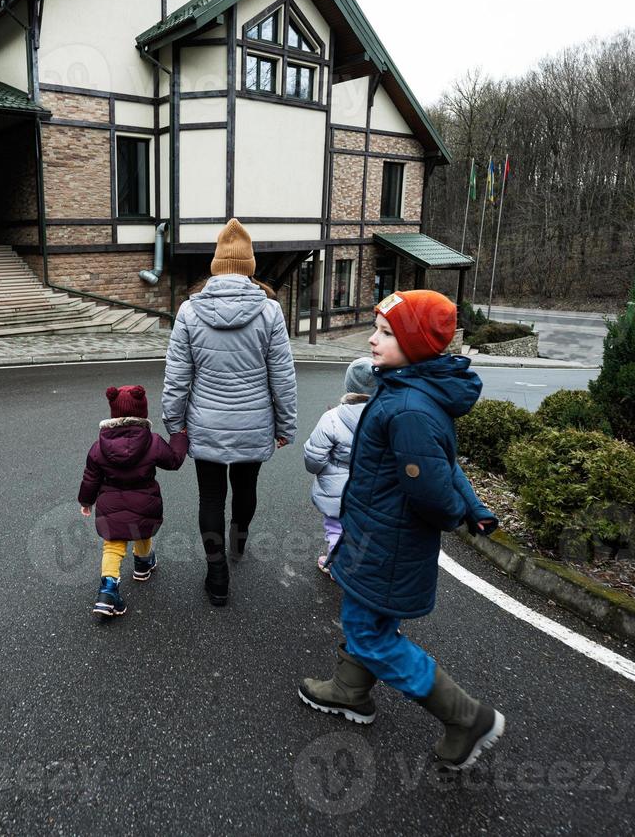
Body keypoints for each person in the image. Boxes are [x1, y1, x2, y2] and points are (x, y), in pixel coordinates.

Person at [297, 291, 505, 771]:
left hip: (388, 544)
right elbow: (445, 463)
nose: (372, 339)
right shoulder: (401, 388)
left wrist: (458, 511)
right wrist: (473, 506)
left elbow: (431, 486)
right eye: (376, 328)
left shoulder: (408, 406)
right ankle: (350, 689)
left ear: (414, 343)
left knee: (371, 634)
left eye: (387, 333)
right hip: (375, 533)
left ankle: (465, 717)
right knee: (365, 617)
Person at [162, 219, 297, 607]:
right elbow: (282, 377)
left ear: (216, 265)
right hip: (254, 424)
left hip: (205, 424)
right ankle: (239, 541)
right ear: (249, 266)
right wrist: (285, 424)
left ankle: (216, 573)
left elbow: (177, 375)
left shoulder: (189, 311)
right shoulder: (270, 311)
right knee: (246, 488)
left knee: (209, 498)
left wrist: (175, 424)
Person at [79, 385, 188, 619]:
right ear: (143, 413)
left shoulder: (99, 446)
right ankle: (142, 564)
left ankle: (107, 592)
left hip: (110, 504)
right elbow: (174, 461)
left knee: (113, 544)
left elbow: (91, 477)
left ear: (113, 414)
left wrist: (86, 501)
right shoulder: (153, 441)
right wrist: (180, 436)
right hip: (144, 501)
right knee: (142, 528)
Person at [303, 358, 374, 576]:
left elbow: (313, 458)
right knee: (364, 529)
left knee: (335, 527)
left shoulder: (333, 417)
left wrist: (323, 469)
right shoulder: (384, 416)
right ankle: (362, 566)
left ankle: (337, 566)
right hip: (370, 485)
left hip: (336, 487)